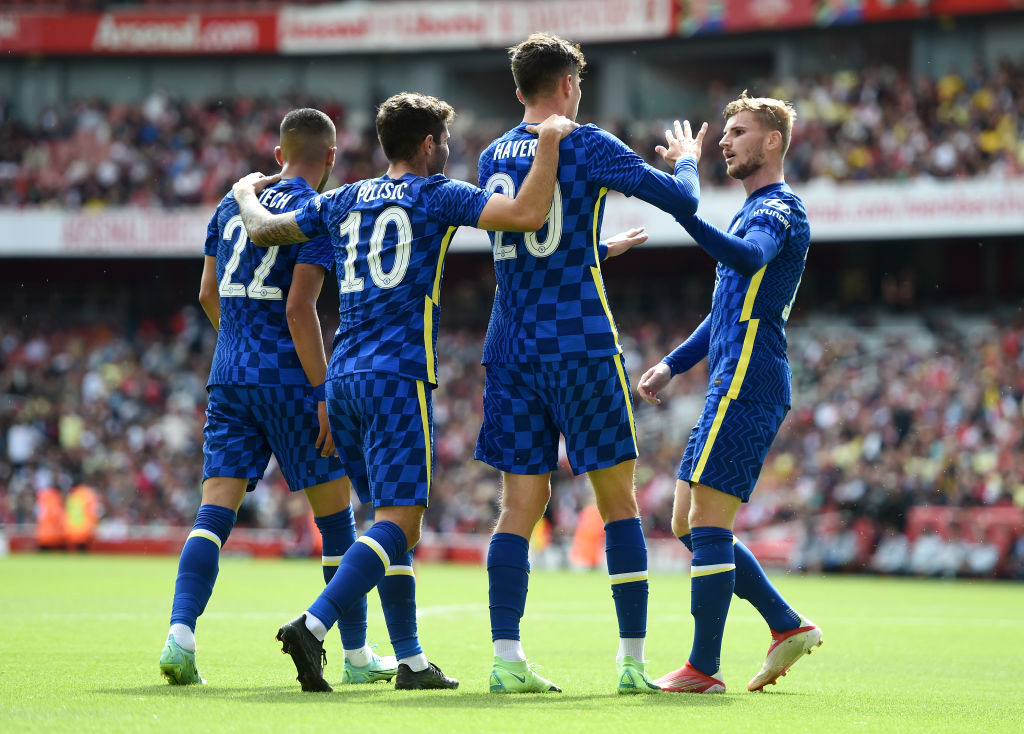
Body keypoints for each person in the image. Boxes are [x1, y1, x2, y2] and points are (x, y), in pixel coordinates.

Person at [232, 92, 577, 692]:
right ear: (426, 145)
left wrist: (242, 191)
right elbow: (526, 213)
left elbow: (262, 230)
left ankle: (411, 660)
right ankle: (314, 625)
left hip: (341, 379)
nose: (448, 150)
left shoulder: (340, 198)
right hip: (397, 376)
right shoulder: (436, 195)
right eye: (443, 141)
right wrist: (547, 142)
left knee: (387, 524)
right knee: (401, 520)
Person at [475, 32, 704, 695]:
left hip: (511, 348)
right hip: (578, 344)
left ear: (519, 90)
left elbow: (527, 237)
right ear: (571, 85)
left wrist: (589, 249)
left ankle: (506, 659)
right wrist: (687, 159)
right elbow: (682, 202)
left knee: (517, 508)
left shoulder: (492, 153)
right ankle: (632, 663)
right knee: (618, 505)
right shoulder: (588, 142)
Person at [160, 108, 397, 688]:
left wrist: (238, 346)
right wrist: (323, 392)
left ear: (278, 153)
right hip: (292, 382)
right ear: (331, 159)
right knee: (336, 519)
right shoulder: (317, 214)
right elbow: (299, 308)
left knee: (214, 511)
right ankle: (358, 654)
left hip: (229, 376)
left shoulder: (228, 204)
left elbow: (207, 292)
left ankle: (180, 636)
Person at [637, 92, 822, 694]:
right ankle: (785, 625)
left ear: (772, 142)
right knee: (689, 522)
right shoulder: (755, 208)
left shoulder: (778, 209)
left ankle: (703, 668)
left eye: (739, 131)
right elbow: (725, 308)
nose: (725, 141)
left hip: (749, 380)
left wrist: (685, 213)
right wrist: (672, 363)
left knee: (708, 525)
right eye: (725, 132)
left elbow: (746, 259)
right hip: (732, 377)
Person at [65, 482, 99, 551]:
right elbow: (93, 512)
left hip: (72, 528)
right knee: (83, 551)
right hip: (85, 527)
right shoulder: (88, 494)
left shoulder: (72, 495)